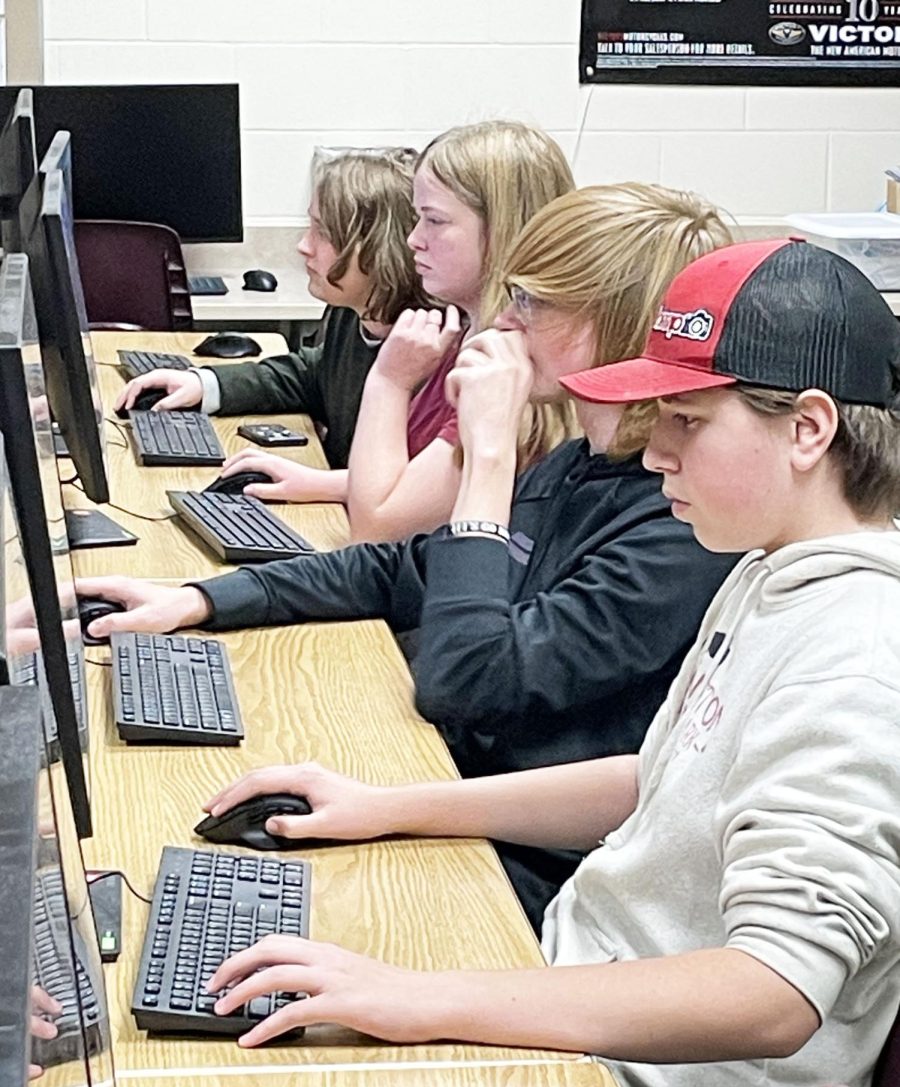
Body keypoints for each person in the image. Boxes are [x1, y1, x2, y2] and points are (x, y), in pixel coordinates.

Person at [200, 240, 900, 1087]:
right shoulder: (769, 572)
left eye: (688, 422)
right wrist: (388, 805)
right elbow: (655, 779)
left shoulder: (858, 659)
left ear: (808, 429)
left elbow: (771, 990)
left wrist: (428, 997)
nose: (654, 451)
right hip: (573, 990)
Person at [79, 183, 736, 926]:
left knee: (174, 882)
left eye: (532, 303)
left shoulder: (678, 524)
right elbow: (403, 566)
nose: (505, 320)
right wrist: (198, 599)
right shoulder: (586, 459)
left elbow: (465, 683)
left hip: (531, 875)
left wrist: (489, 455)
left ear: (615, 326)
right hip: (452, 795)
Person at [115, 146, 429, 499]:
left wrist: (316, 483)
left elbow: (421, 485)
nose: (303, 246)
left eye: (322, 232)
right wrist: (205, 384)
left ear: (377, 247)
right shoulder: (353, 311)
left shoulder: (428, 348)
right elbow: (314, 374)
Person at [344, 119, 576, 541]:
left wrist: (388, 380)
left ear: (503, 231)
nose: (414, 239)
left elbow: (379, 525)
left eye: (434, 220)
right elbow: (413, 479)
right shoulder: (465, 333)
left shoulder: (507, 367)